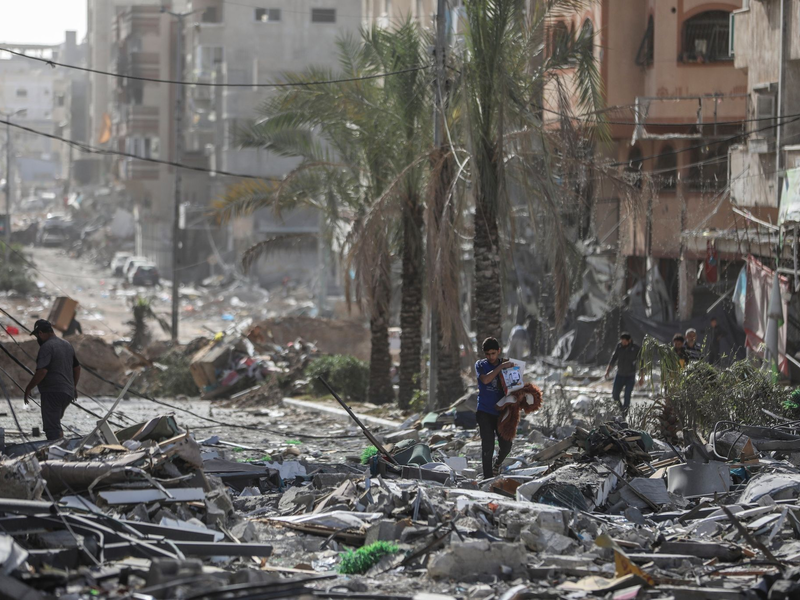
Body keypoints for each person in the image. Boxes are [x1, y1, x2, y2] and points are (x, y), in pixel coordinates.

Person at [24, 320, 81, 441]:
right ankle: (61, 449)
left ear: (40, 333)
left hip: (52, 392)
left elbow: (42, 371)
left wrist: (29, 388)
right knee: (55, 424)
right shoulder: (67, 344)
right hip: (67, 393)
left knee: (52, 428)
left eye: (37, 335)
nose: (37, 338)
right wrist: (73, 387)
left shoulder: (47, 347)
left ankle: (56, 453)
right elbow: (77, 368)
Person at [475, 337, 514, 479]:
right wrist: (500, 368)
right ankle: (488, 479)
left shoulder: (507, 364)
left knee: (507, 445)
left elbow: (515, 386)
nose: (491, 357)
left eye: (493, 353)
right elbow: (485, 380)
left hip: (501, 413)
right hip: (484, 411)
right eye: (488, 354)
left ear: (499, 351)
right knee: (488, 447)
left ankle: (497, 465)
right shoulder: (480, 365)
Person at [604, 332, 642, 415]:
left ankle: (624, 413)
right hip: (620, 375)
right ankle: (621, 409)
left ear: (629, 340)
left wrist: (642, 377)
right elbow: (613, 358)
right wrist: (608, 370)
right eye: (622, 341)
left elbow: (641, 362)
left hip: (630, 376)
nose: (623, 343)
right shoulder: (619, 346)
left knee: (627, 395)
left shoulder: (635, 348)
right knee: (615, 394)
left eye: (625, 341)